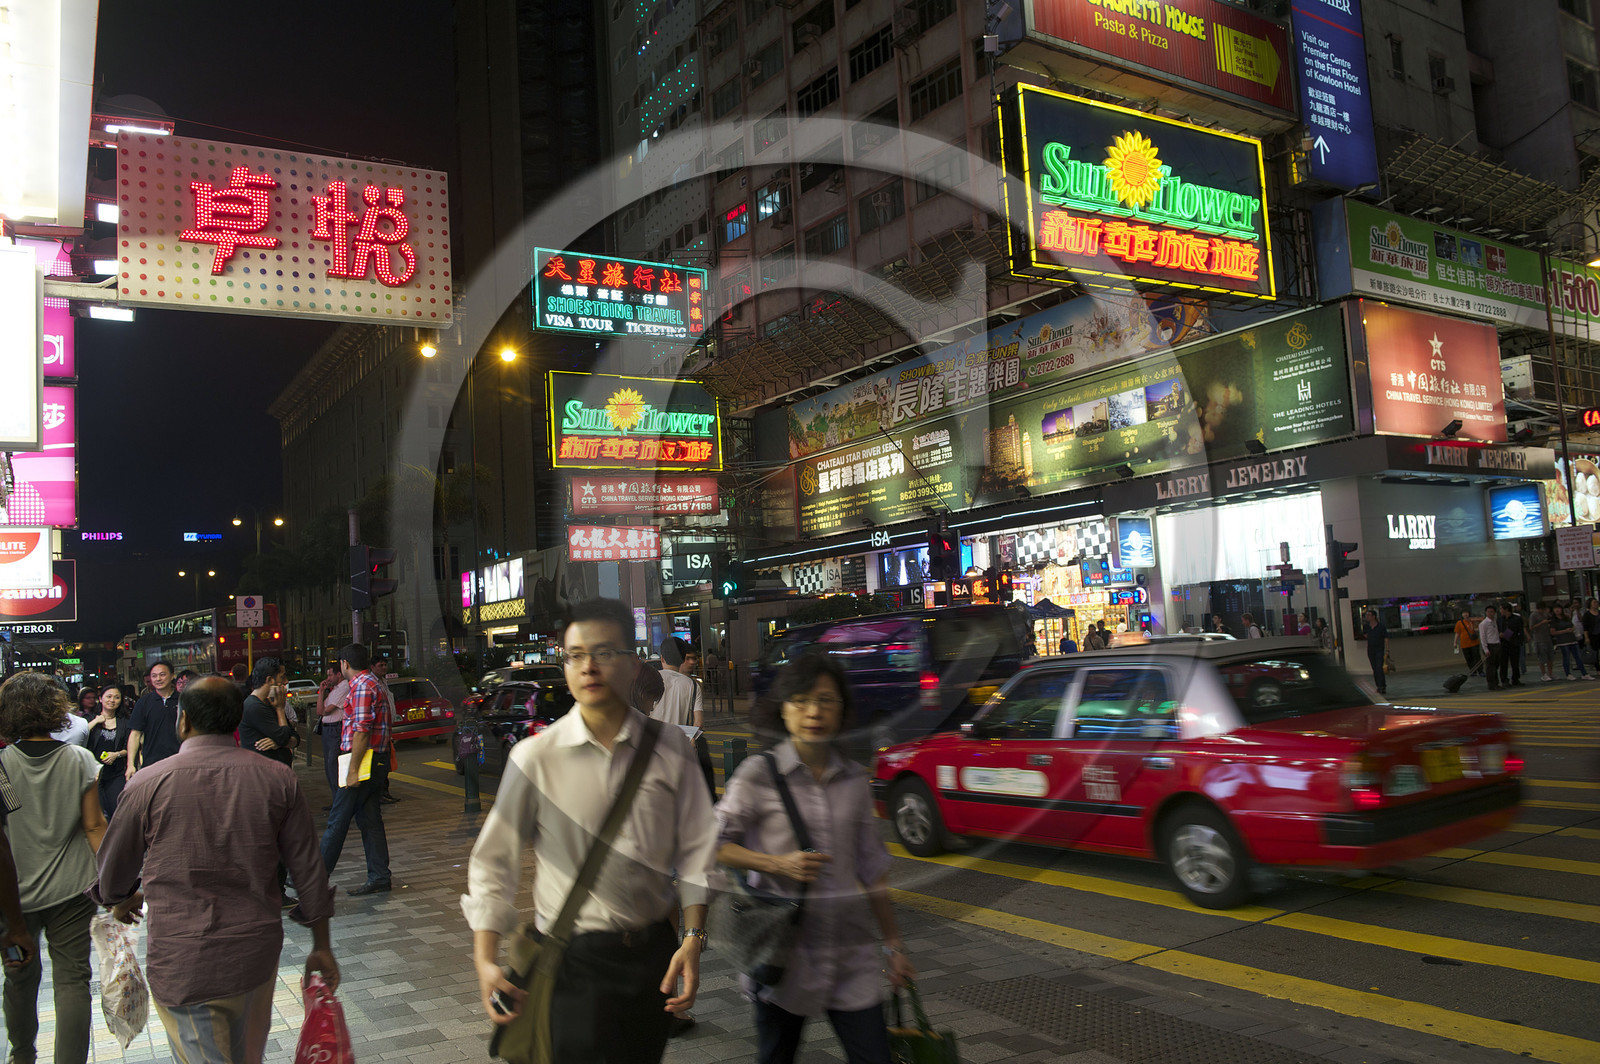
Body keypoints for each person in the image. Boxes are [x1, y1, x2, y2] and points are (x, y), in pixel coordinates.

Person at [465, 598, 716, 1064]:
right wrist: (484, 958)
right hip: (571, 964)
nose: (588, 666)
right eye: (575, 654)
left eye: (604, 652)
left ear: (632, 664)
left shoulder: (671, 750)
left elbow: (700, 847)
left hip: (651, 962)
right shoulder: (536, 758)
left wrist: (693, 937)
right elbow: (492, 862)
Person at [91, 677, 338, 1064]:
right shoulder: (278, 778)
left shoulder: (147, 782)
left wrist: (121, 899)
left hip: (183, 959)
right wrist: (321, 946)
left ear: (183, 721)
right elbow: (309, 870)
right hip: (256, 954)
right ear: (237, 719)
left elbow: (112, 876)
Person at [714, 654, 916, 1064]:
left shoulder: (856, 780)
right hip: (783, 956)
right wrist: (775, 864)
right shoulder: (758, 775)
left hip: (850, 955)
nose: (814, 712)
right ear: (783, 709)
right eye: (801, 700)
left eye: (826, 700)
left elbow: (872, 867)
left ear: (841, 710)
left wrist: (894, 945)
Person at [0, 671, 106, 1064]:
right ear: (56, 710)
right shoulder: (80, 759)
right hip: (73, 892)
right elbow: (95, 827)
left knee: (18, 978)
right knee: (73, 982)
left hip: (13, 901)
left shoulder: (0, 766)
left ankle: (22, 1055)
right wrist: (120, 886)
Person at [320, 644, 393, 895]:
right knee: (370, 819)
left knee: (338, 820)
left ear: (345, 664)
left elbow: (362, 730)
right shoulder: (371, 683)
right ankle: (380, 876)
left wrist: (352, 771)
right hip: (374, 759)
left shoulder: (362, 686)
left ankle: (314, 878)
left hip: (363, 760)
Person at [126, 661, 182, 779]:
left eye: (162, 674)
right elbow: (135, 734)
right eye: (154, 676)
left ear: (172, 675)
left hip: (180, 760)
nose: (158, 679)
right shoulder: (143, 702)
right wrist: (130, 764)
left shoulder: (183, 700)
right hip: (152, 762)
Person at [87, 686, 131, 817]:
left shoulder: (125, 722)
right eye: (108, 696)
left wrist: (116, 754)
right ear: (100, 699)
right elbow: (80, 736)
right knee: (96, 813)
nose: (112, 700)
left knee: (117, 810)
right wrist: (95, 721)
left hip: (115, 773)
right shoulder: (89, 718)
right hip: (93, 773)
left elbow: (129, 747)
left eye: (116, 697)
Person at [316, 663, 348, 801]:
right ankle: (336, 798)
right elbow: (319, 711)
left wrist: (324, 710)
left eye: (330, 675)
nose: (328, 678)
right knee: (329, 765)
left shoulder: (344, 687)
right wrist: (322, 691)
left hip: (336, 728)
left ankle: (339, 799)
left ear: (338, 674)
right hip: (327, 729)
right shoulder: (334, 690)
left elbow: (326, 710)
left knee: (333, 764)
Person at [372, 658, 400, 805]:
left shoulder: (384, 682)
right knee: (380, 765)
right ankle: (380, 793)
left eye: (385, 665)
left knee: (386, 764)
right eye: (380, 665)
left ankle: (385, 792)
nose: (383, 668)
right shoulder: (373, 684)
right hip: (379, 733)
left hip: (387, 729)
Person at [1554, 604, 1590, 680]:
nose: (1557, 610)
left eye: (1558, 608)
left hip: (1572, 640)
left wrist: (1572, 629)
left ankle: (1584, 673)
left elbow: (1572, 625)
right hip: (1563, 641)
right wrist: (1565, 631)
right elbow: (1553, 632)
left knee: (1578, 657)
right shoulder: (1554, 620)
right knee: (1566, 657)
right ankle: (1568, 674)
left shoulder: (1566, 617)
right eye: (1555, 609)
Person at [1498, 601, 1524, 687]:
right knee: (1503, 663)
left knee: (1515, 663)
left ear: (1506, 609)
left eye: (1501, 608)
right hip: (1503, 644)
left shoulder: (1516, 619)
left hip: (1514, 643)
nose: (1500, 610)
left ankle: (1515, 679)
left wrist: (1520, 641)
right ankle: (1504, 680)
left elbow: (1518, 630)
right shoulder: (1500, 619)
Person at [1362, 610, 1387, 696]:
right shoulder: (1366, 627)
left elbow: (1385, 638)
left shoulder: (1381, 626)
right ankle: (1378, 685)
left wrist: (1387, 650)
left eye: (1369, 615)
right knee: (1375, 668)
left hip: (1379, 649)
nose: (1367, 617)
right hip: (1371, 649)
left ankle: (1382, 686)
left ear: (1374, 616)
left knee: (1379, 667)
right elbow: (1365, 635)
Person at [1528, 601, 1555, 682]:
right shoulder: (1533, 615)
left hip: (1547, 638)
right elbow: (1531, 627)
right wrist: (1541, 623)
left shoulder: (1545, 614)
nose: (1542, 611)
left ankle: (1550, 673)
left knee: (1550, 657)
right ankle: (1544, 674)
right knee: (1542, 658)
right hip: (1539, 639)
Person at [1479, 605, 1503, 692]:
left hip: (1497, 644)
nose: (1490, 613)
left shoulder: (1494, 622)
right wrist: (1485, 649)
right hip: (1490, 645)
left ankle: (1496, 683)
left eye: (1492, 612)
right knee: (1490, 666)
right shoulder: (1483, 624)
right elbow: (1483, 637)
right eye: (1488, 612)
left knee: (1496, 665)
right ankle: (1491, 684)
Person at [1453, 608, 1481, 679]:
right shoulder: (1459, 623)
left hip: (1474, 642)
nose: (1465, 614)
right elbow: (1457, 633)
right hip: (1464, 644)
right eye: (1463, 613)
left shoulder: (1472, 621)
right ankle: (1473, 671)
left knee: (1477, 657)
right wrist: (1455, 642)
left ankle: (1480, 671)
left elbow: (1477, 629)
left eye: (1466, 613)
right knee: (1469, 658)